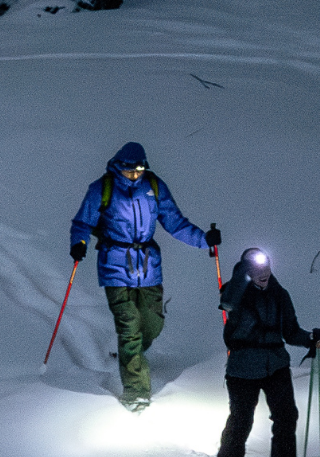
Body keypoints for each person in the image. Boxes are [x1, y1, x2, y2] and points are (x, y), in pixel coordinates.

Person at [69, 142, 218, 411]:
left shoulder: (154, 187)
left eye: (139, 170)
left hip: (148, 266)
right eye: (130, 171)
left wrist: (204, 240)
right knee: (129, 327)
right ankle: (136, 393)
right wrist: (78, 243)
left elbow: (175, 222)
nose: (135, 175)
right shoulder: (102, 188)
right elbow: (82, 223)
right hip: (115, 264)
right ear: (119, 167)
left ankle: (131, 352)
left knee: (151, 325)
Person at [215, 248, 320, 457]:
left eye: (266, 269)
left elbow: (291, 331)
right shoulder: (237, 291)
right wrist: (241, 275)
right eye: (256, 270)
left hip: (276, 364)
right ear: (247, 271)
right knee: (242, 417)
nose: (263, 274)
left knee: (286, 417)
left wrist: (309, 339)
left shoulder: (280, 294)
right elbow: (227, 302)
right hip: (243, 367)